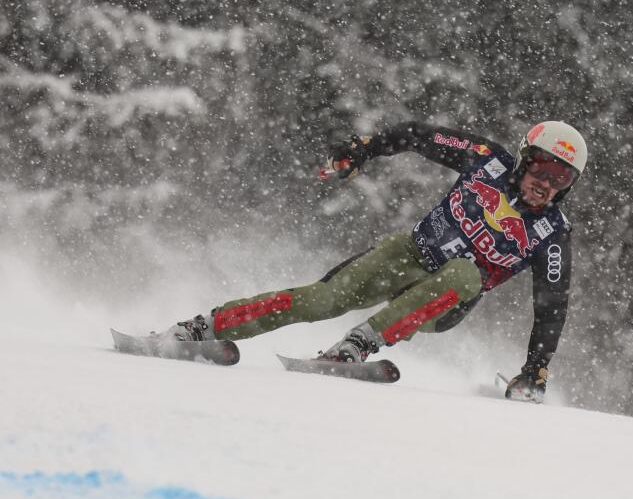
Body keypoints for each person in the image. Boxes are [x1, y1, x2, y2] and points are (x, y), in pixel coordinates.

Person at [167, 120, 587, 403]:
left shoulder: (552, 233)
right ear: (525, 157)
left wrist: (535, 371)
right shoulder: (487, 159)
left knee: (465, 272)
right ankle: (199, 327)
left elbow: (552, 308)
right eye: (543, 167)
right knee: (321, 301)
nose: (546, 183)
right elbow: (416, 136)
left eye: (561, 178)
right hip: (409, 254)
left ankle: (357, 346)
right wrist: (363, 149)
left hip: (448, 299)